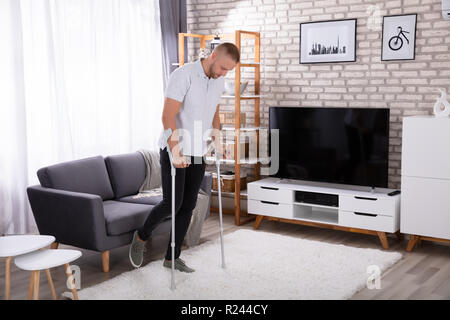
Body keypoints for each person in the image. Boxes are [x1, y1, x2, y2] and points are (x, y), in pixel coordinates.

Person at [129, 42, 240, 272]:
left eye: (229, 70)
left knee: (188, 205)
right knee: (173, 203)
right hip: (174, 147)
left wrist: (218, 141)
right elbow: (167, 117)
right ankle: (141, 237)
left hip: (198, 150)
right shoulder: (183, 75)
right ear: (212, 56)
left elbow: (215, 112)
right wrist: (176, 152)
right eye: (222, 68)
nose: (224, 74)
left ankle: (172, 257)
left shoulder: (218, 81)